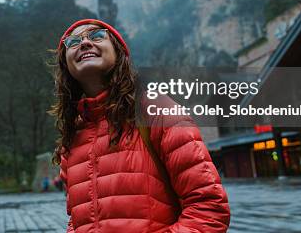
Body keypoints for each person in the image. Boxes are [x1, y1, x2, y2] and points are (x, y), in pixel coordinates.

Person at [50, 19, 230, 232]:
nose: (85, 43)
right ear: (65, 64)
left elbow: (209, 208)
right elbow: (76, 220)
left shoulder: (157, 110)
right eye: (73, 42)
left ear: (119, 53)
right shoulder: (72, 138)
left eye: (97, 36)